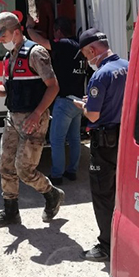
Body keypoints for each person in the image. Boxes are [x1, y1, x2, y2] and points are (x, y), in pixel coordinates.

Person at [0, 12, 65, 228]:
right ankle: (10, 212)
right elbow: (8, 90)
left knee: (25, 170)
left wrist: (36, 114)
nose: (0, 39)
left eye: (3, 34)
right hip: (12, 119)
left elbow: (53, 87)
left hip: (33, 120)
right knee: (5, 165)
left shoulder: (36, 53)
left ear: (17, 32)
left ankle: (52, 194)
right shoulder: (9, 58)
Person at [72, 29, 128, 262]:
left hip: (105, 143)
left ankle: (106, 245)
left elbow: (93, 116)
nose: (87, 60)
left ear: (92, 50)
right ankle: (123, 239)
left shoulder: (100, 75)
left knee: (103, 193)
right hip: (125, 139)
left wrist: (82, 106)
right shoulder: (128, 65)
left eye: (86, 55)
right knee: (120, 192)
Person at [28, 17, 89, 185]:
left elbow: (41, 42)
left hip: (65, 101)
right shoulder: (79, 46)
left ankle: (56, 175)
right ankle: (72, 171)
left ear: (58, 31)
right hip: (78, 100)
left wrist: (29, 28)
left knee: (57, 140)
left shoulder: (64, 44)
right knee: (75, 138)